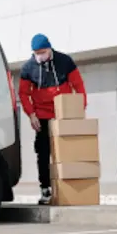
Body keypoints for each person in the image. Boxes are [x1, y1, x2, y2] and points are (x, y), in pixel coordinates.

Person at [18, 33, 87, 205]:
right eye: (36, 53)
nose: (39, 56)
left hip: (63, 114)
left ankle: (72, 187)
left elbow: (78, 85)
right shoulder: (28, 68)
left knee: (68, 151)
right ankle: (45, 189)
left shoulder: (65, 61)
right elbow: (24, 93)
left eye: (42, 52)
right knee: (43, 152)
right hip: (41, 115)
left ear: (49, 49)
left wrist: (80, 108)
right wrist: (31, 114)